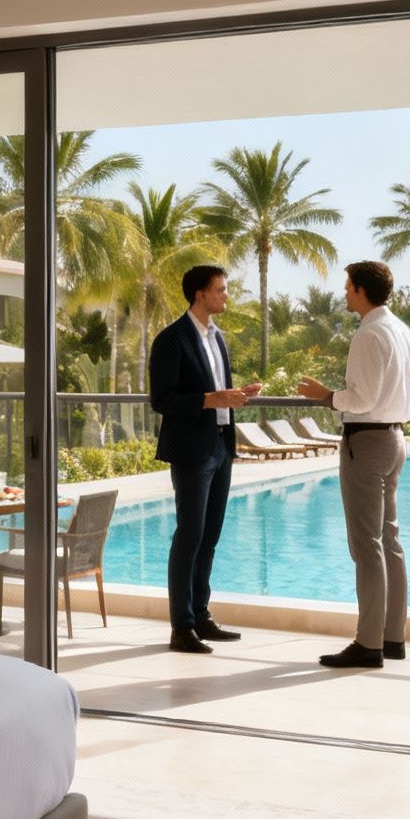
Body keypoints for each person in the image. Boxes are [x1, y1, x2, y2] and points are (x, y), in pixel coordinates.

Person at [295, 261, 410, 669]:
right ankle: (392, 637)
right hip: (395, 439)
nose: (344, 293)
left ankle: (368, 645)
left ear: (362, 290)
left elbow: (361, 399)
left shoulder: (369, 334)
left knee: (366, 546)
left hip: (366, 443)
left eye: (348, 287)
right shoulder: (403, 332)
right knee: (390, 541)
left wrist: (326, 396)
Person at [148, 265, 262, 655]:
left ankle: (200, 614)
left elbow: (216, 391)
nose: (226, 296)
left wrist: (236, 396)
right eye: (221, 290)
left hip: (220, 446)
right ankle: (181, 627)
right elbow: (161, 400)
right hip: (191, 451)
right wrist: (211, 400)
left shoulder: (218, 338)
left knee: (210, 536)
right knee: (189, 535)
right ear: (200, 294)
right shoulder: (171, 339)